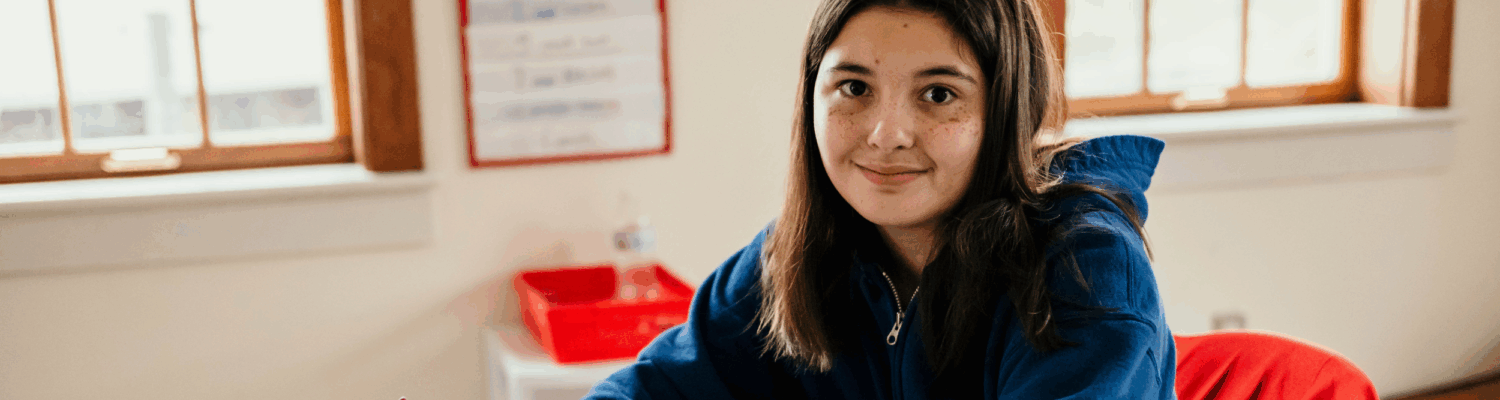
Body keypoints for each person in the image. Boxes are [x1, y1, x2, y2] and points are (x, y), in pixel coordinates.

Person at [587, 0, 1175, 398]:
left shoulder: (1088, 271)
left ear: (1004, 110)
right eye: (854, 88)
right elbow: (648, 388)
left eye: (938, 94)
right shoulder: (797, 255)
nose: (885, 134)